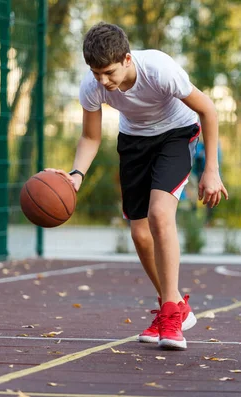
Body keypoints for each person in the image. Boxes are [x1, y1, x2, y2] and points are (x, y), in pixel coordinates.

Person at [46, 22, 228, 350]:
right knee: (139, 233)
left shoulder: (159, 68)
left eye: (108, 72)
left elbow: (208, 109)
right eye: (95, 72)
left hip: (176, 134)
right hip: (134, 141)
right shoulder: (92, 85)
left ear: (127, 59)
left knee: (160, 216)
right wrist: (75, 176)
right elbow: (90, 136)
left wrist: (211, 170)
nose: (103, 80)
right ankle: (173, 303)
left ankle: (171, 313)